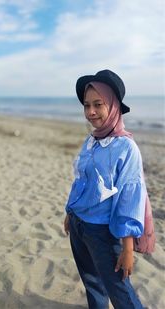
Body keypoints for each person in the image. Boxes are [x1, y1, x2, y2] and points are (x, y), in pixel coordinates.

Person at [64, 69, 147, 309]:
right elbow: (81, 180)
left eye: (98, 104)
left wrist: (128, 248)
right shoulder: (91, 141)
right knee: (92, 283)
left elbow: (129, 199)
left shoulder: (126, 148)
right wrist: (70, 212)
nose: (90, 112)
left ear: (113, 105)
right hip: (79, 225)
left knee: (121, 292)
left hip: (102, 232)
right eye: (87, 105)